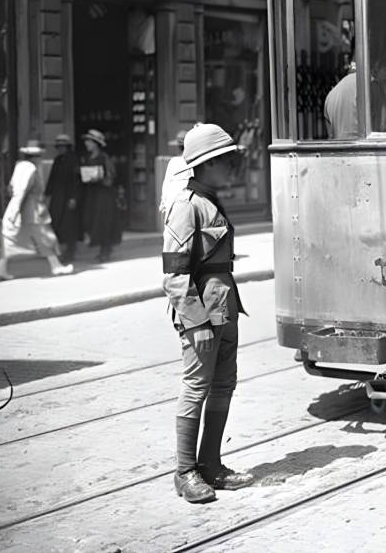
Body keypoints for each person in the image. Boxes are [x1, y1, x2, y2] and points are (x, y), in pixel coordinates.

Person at [162, 123, 254, 504]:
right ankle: (186, 472)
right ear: (204, 164)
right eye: (224, 161)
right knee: (197, 387)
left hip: (225, 308)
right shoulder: (186, 206)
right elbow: (174, 274)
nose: (230, 167)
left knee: (223, 385)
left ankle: (211, 464)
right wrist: (196, 321)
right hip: (202, 313)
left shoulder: (211, 200)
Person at [0, 140, 74, 280]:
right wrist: (17, 209)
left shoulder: (19, 166)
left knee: (11, 238)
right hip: (32, 208)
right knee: (45, 236)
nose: (40, 158)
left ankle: (1, 269)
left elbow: (11, 188)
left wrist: (14, 208)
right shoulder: (30, 168)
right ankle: (56, 266)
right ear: (35, 156)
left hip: (20, 206)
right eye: (39, 155)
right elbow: (23, 190)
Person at [78, 129, 121, 262]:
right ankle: (101, 247)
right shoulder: (86, 158)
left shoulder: (104, 157)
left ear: (96, 143)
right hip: (92, 194)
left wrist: (99, 177)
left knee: (103, 221)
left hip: (104, 195)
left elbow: (111, 176)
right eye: (86, 141)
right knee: (91, 220)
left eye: (89, 141)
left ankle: (105, 250)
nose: (86, 144)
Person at [45, 133, 81, 265]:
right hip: (57, 197)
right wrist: (47, 194)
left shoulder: (74, 161)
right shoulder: (57, 160)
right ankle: (60, 250)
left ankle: (70, 252)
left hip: (69, 196)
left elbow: (76, 181)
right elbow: (52, 178)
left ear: (67, 147)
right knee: (57, 223)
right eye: (58, 146)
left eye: (63, 146)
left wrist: (74, 197)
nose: (60, 149)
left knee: (69, 225)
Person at [159, 130, 191, 219]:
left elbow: (166, 184)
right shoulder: (194, 162)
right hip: (188, 202)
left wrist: (164, 202)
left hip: (173, 203)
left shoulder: (173, 162)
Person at [324, 63, 359, 140]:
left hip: (339, 149)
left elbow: (330, 135)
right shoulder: (369, 84)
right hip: (363, 148)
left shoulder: (330, 95)